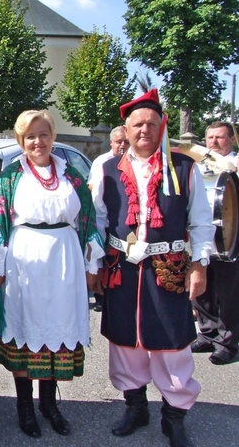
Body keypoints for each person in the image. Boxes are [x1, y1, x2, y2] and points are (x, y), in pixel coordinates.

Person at [91, 89, 214, 447]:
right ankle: (135, 406)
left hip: (169, 268)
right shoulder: (107, 168)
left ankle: (174, 417)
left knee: (172, 343)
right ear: (125, 130)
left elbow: (202, 222)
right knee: (125, 341)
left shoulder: (185, 167)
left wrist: (200, 265)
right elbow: (98, 221)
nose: (144, 130)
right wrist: (96, 263)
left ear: (163, 128)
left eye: (151, 124)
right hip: (121, 268)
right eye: (137, 125)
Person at [0, 109, 104, 439]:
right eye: (30, 136)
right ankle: (24, 407)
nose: (38, 141)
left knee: (54, 331)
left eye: (44, 134)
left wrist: (93, 264)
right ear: (21, 140)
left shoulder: (72, 175)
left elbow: (88, 219)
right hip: (24, 262)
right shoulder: (9, 178)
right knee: (26, 327)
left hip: (64, 261)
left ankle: (49, 404)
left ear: (53, 137)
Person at [190, 121, 239, 365]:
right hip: (203, 234)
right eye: (209, 138)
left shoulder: (235, 162)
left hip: (230, 235)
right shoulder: (199, 166)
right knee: (203, 288)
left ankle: (227, 342)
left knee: (228, 291)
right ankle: (207, 333)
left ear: (232, 139)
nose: (213, 142)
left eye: (219, 137)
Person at [88, 125, 129, 312]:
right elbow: (96, 194)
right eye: (119, 141)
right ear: (111, 142)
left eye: (126, 142)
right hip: (105, 218)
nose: (122, 145)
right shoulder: (102, 163)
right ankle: (100, 297)